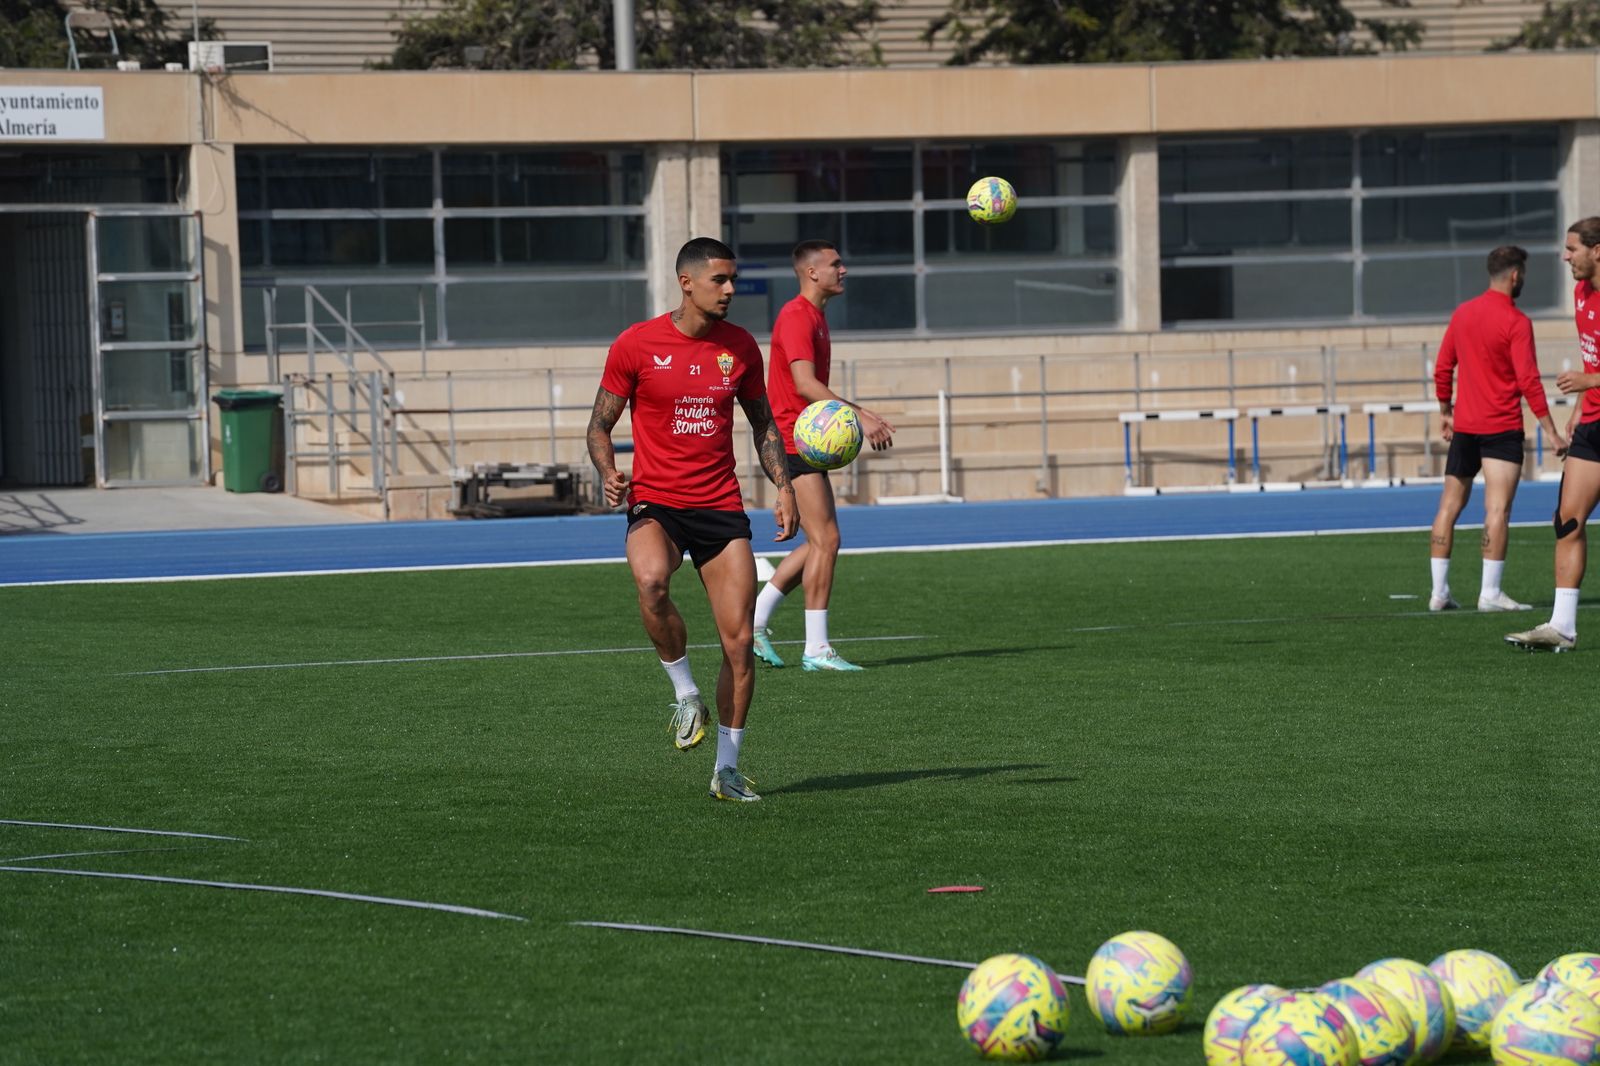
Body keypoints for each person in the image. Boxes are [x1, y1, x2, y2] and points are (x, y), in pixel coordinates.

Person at [586, 236, 798, 799]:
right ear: (687, 283)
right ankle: (685, 692)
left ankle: (726, 770)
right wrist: (609, 472)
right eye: (720, 280)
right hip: (656, 501)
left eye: (733, 280)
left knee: (739, 642)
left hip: (721, 506)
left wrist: (784, 486)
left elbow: (764, 423)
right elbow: (599, 426)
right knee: (653, 582)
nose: (731, 290)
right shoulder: (636, 344)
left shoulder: (741, 348)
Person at [750, 240, 895, 672]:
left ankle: (755, 623)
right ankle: (816, 649)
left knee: (819, 541)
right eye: (835, 264)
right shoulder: (797, 316)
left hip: (804, 441)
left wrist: (861, 411)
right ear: (812, 272)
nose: (843, 269)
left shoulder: (814, 317)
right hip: (793, 443)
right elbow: (805, 383)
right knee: (826, 541)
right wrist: (858, 415)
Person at [1427, 245, 1565, 614]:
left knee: (1448, 506)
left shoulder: (1463, 313)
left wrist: (1445, 411)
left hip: (1466, 427)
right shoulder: (1517, 322)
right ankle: (1489, 593)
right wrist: (1551, 431)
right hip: (1501, 428)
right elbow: (1529, 381)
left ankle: (1439, 592)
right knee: (1498, 510)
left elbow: (1443, 368)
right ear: (1515, 275)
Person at [1508, 218, 1600, 651]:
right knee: (1567, 521)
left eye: (1572, 249)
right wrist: (1582, 407)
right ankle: (1562, 627)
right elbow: (1592, 356)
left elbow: (1590, 372)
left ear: (1597, 250)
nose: (1565, 257)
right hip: (1594, 427)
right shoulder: (1582, 294)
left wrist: (1588, 383)